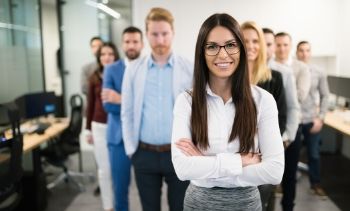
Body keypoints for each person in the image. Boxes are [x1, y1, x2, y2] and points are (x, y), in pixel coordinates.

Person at [171, 13, 284, 211]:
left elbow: (274, 171)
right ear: (202, 52)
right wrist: (240, 161)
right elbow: (182, 169)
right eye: (212, 46)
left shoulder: (263, 100)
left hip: (246, 204)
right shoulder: (186, 102)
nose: (223, 54)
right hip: (199, 204)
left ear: (241, 49)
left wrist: (205, 164)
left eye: (231, 45)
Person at [121, 7, 192, 211]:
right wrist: (130, 150)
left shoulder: (189, 68)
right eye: (154, 34)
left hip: (179, 153)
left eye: (164, 34)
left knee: (180, 207)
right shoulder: (133, 70)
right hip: (144, 154)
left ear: (173, 33)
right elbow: (126, 112)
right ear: (147, 35)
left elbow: (198, 111)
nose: (160, 40)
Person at [241, 21, 287, 211]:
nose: (251, 46)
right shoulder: (226, 78)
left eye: (255, 41)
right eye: (245, 41)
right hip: (235, 157)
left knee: (262, 204)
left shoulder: (274, 78)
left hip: (263, 158)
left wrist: (262, 150)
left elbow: (281, 118)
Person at [102, 26, 144, 211]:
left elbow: (149, 107)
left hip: (144, 139)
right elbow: (108, 105)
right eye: (127, 41)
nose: (131, 45)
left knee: (148, 191)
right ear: (122, 44)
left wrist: (121, 99)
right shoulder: (111, 70)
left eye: (135, 41)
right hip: (118, 138)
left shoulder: (149, 68)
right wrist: (136, 103)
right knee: (120, 189)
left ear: (142, 44)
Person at [274, 32, 311, 211]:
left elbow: (301, 96)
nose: (281, 48)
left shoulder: (301, 68)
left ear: (290, 46)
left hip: (293, 126)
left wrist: (280, 96)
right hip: (273, 127)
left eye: (285, 45)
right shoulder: (267, 65)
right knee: (271, 174)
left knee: (290, 172)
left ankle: (288, 206)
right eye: (278, 45)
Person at [86, 42, 119, 211]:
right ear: (99, 58)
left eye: (110, 54)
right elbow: (90, 104)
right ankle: (108, 207)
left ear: (115, 56)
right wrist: (87, 129)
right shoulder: (94, 77)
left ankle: (119, 203)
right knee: (104, 170)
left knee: (117, 171)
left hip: (117, 126)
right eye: (103, 54)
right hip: (99, 126)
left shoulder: (121, 74)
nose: (107, 57)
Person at [296, 41, 329, 199]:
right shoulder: (290, 69)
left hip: (311, 119)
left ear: (311, 52)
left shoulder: (319, 72)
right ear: (296, 52)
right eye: (301, 50)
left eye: (307, 50)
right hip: (294, 120)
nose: (304, 54)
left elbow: (325, 95)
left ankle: (315, 184)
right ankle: (281, 185)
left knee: (314, 154)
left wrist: (321, 118)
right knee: (288, 155)